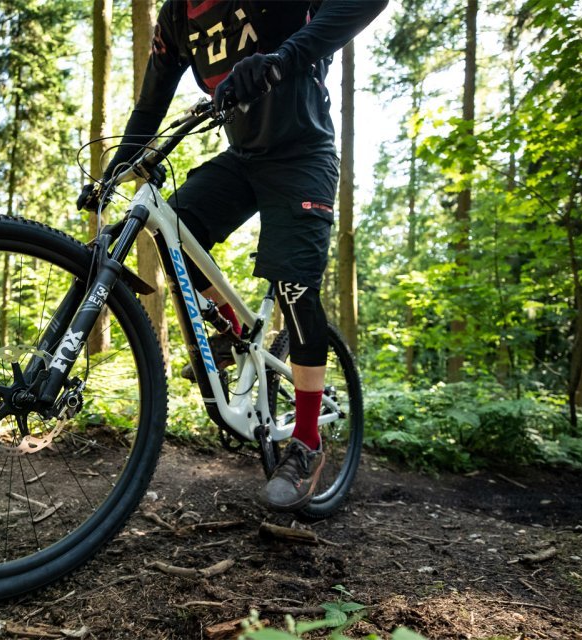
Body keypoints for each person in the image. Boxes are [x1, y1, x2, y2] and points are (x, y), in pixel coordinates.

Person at [77, 0, 388, 512]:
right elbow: (152, 101)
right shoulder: (177, 18)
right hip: (243, 158)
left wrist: (282, 59)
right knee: (173, 228)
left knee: (294, 285)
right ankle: (233, 334)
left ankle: (307, 440)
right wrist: (116, 169)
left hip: (303, 154)